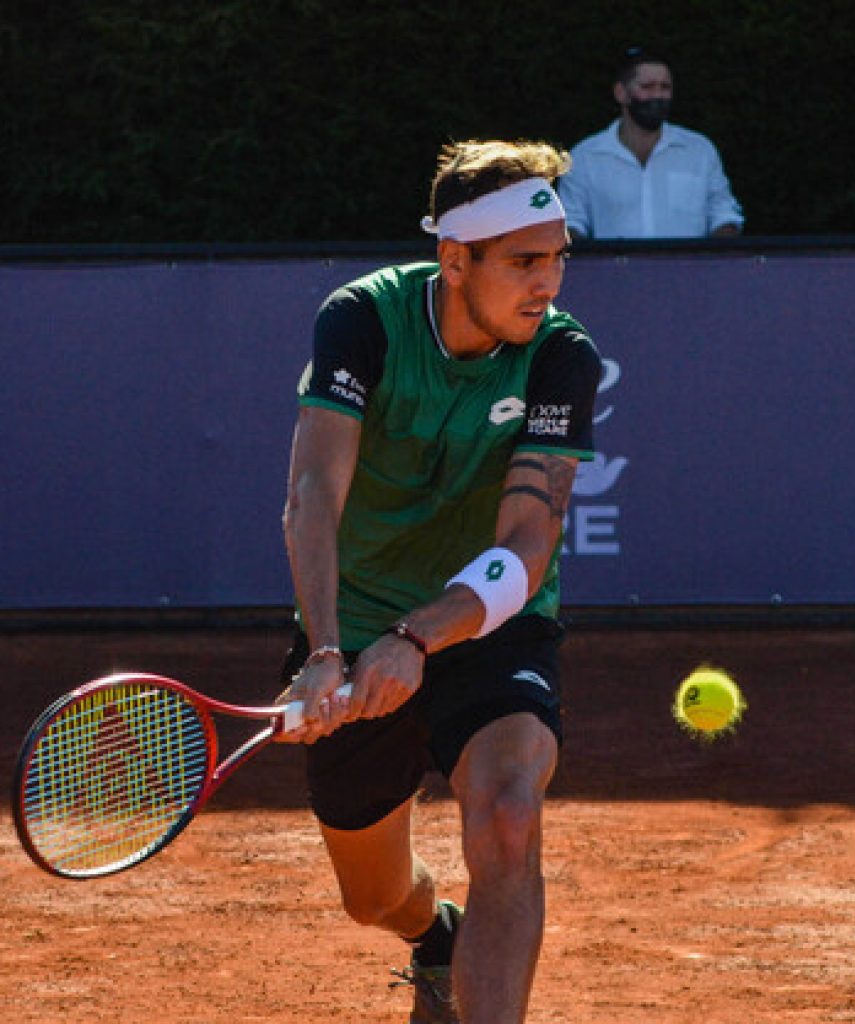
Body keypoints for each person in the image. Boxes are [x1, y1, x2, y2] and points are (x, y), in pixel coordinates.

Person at [276, 139, 601, 1024]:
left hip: (489, 626)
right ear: (455, 261)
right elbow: (313, 494)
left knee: (505, 815)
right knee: (373, 899)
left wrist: (418, 637)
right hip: (357, 625)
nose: (549, 284)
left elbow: (529, 542)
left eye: (558, 260)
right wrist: (329, 649)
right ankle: (436, 935)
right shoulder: (363, 321)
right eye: (525, 262)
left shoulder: (562, 356)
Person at [558, 46, 744, 239]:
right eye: (647, 87)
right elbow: (571, 223)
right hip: (614, 270)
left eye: (665, 87)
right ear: (621, 93)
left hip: (688, 269)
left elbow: (724, 216)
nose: (658, 95)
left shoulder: (699, 150)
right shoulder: (585, 157)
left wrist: (719, 257)